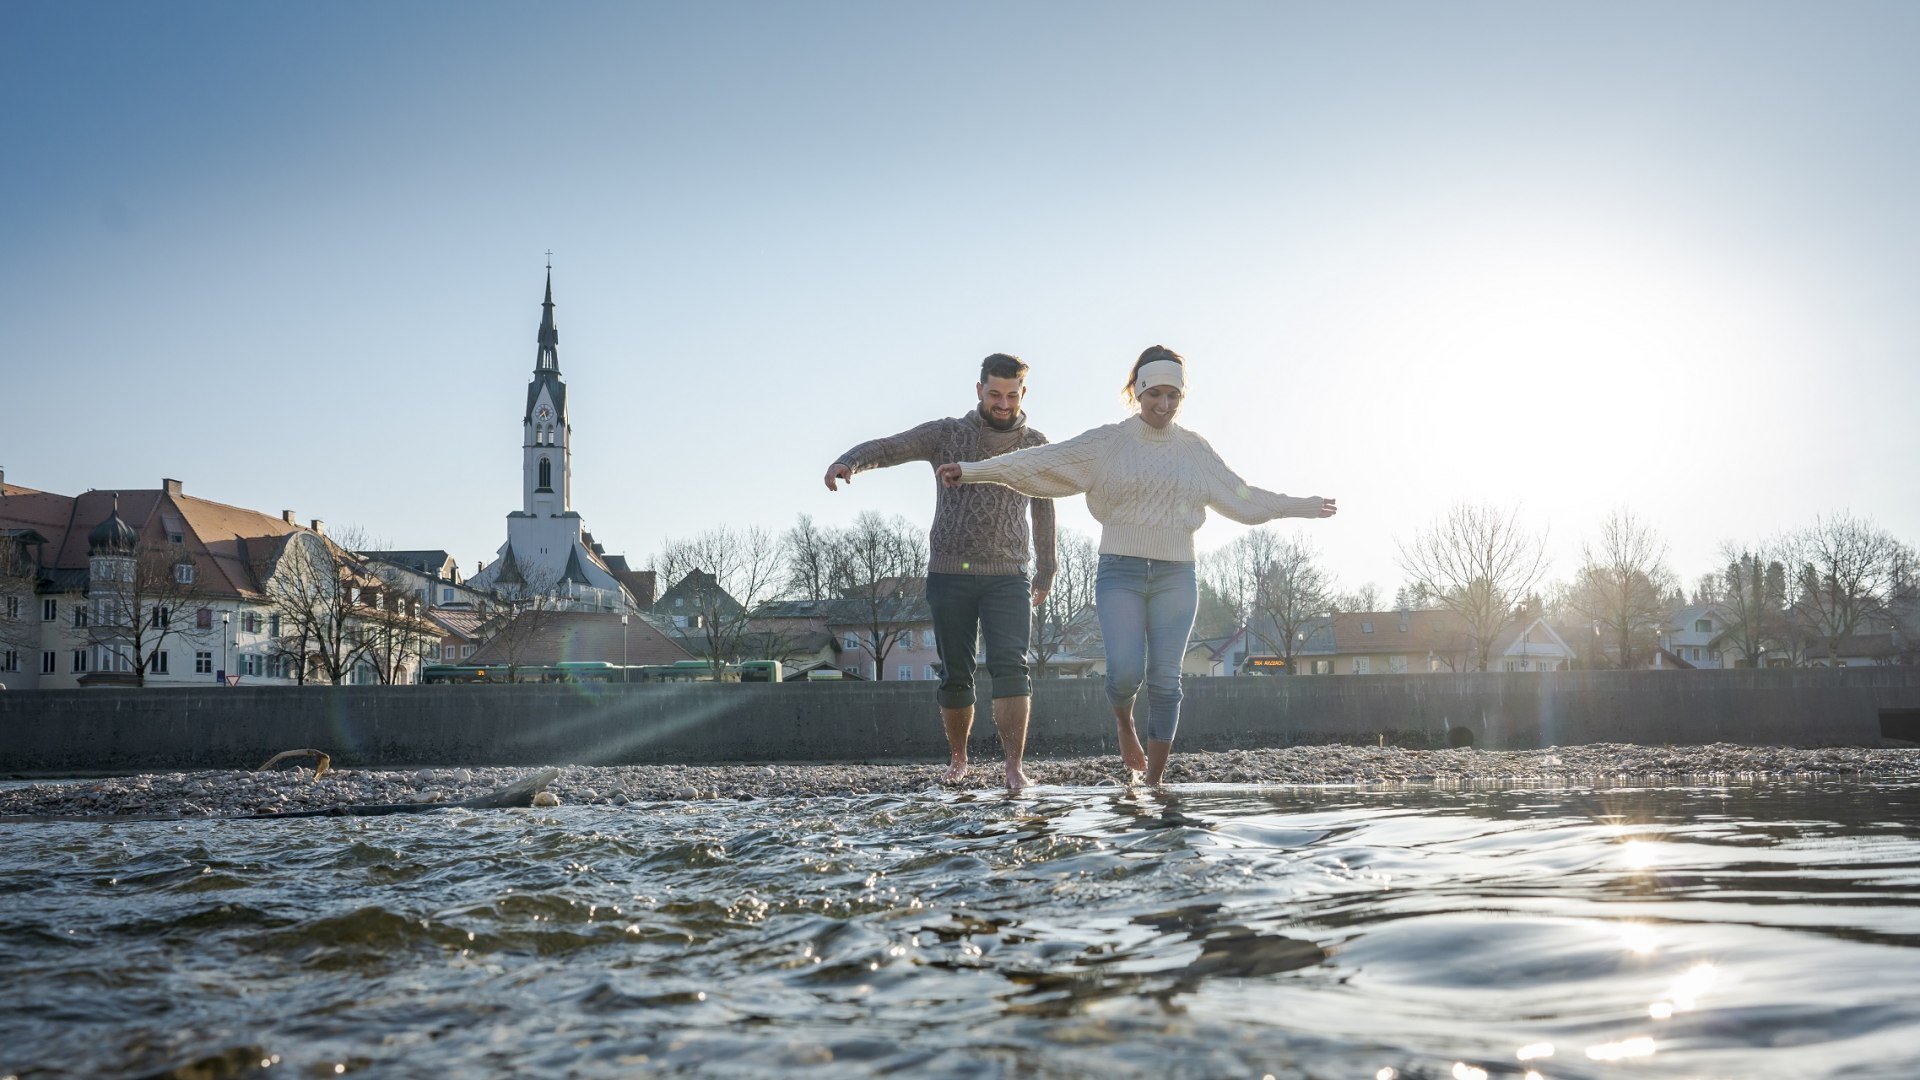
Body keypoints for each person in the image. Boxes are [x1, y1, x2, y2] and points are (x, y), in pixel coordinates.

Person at [937, 345, 1335, 787]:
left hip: (1177, 574)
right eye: (1154, 395)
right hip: (1119, 571)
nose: (1163, 405)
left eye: (1173, 396)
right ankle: (1124, 723)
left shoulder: (1195, 450)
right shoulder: (1108, 443)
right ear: (1137, 391)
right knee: (1125, 672)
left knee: (1166, 680)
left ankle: (1154, 785)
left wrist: (1300, 506)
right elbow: (1037, 462)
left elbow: (1244, 498)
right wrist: (971, 471)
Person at [825, 353, 1056, 793]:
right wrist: (850, 462)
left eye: (1012, 395)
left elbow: (1045, 506)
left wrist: (1047, 569)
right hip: (950, 573)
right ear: (979, 390)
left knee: (1012, 667)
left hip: (1009, 573)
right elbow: (891, 447)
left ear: (1023, 393)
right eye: (994, 394)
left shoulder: (1035, 444)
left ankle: (1013, 767)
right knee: (955, 673)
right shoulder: (948, 434)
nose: (1003, 404)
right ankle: (959, 759)